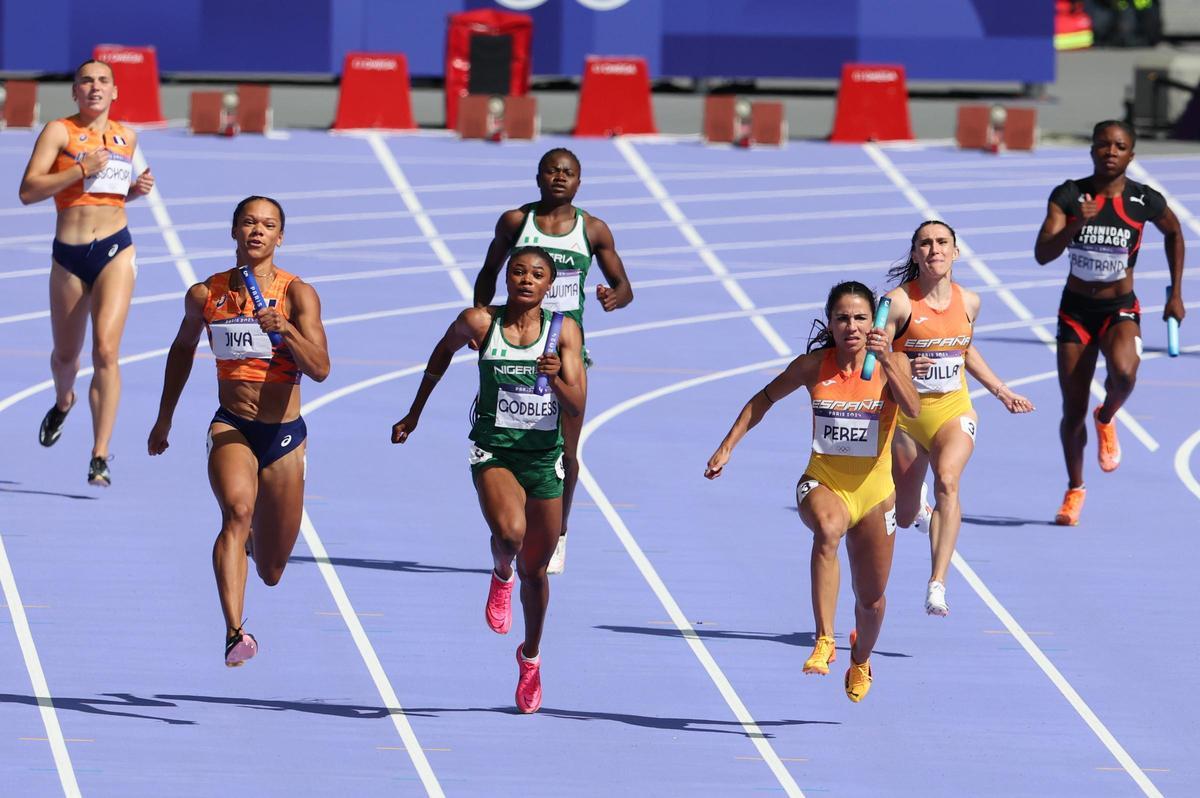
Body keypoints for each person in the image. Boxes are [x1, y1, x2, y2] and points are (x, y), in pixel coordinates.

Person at [705, 281, 920, 703]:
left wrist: (888, 362)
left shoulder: (893, 362)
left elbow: (912, 408)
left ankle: (860, 657)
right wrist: (727, 446)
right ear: (831, 323)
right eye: (843, 318)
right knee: (827, 529)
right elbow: (762, 399)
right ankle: (825, 638)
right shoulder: (812, 366)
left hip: (876, 494)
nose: (852, 327)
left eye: (861, 318)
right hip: (823, 481)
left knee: (872, 601)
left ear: (873, 322)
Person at [394, 246, 584, 714]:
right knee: (509, 534)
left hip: (543, 458)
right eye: (518, 271)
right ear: (507, 277)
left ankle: (531, 657)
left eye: (537, 274)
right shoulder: (480, 324)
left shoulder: (565, 331)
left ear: (548, 285)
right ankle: (500, 572)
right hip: (494, 450)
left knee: (536, 572)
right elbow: (440, 353)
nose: (525, 279)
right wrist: (414, 413)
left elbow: (577, 404)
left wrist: (557, 379)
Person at [148, 196, 330, 667]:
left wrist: (286, 330)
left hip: (285, 436)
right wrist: (164, 418)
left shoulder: (298, 294)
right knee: (236, 510)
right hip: (233, 426)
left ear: (279, 237)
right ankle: (235, 632)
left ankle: (254, 546)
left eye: (268, 225)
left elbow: (322, 369)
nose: (257, 231)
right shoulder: (206, 294)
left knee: (271, 569)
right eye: (249, 222)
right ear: (234, 231)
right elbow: (182, 350)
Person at [473, 148, 633, 574]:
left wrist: (613, 297)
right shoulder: (514, 222)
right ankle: (511, 516)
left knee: (566, 450)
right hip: (515, 341)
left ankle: (559, 532)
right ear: (538, 176)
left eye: (569, 172)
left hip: (564, 350)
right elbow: (489, 271)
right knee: (511, 432)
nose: (560, 177)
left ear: (579, 182)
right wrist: (481, 320)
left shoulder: (593, 230)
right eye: (552, 170)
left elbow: (624, 286)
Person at [1034, 120, 1185, 525]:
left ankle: (1107, 416)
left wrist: (1174, 294)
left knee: (1124, 375)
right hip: (1076, 312)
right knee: (1071, 410)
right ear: (1092, 150)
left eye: (1120, 145)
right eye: (1103, 144)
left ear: (1131, 155)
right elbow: (1042, 254)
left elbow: (1174, 232)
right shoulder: (1068, 196)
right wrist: (1075, 224)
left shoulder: (1143, 200)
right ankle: (1075, 489)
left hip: (1120, 307)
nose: (1111, 151)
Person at [882, 221, 1035, 617]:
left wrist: (1002, 391)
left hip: (954, 410)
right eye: (925, 243)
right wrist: (905, 365)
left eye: (942, 242)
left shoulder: (970, 302)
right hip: (907, 419)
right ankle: (918, 511)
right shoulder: (898, 303)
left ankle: (937, 584)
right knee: (902, 515)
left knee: (948, 481)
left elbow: (964, 350)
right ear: (915, 253)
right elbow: (871, 359)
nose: (934, 249)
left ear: (956, 252)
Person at [18, 59, 154, 486]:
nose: (95, 87)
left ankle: (99, 453)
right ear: (75, 91)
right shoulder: (59, 131)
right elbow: (27, 192)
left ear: (115, 92)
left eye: (103, 81)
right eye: (86, 81)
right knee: (65, 357)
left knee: (106, 352)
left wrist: (132, 192)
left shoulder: (126, 137)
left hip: (116, 249)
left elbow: (104, 197)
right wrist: (79, 169)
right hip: (69, 257)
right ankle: (63, 401)